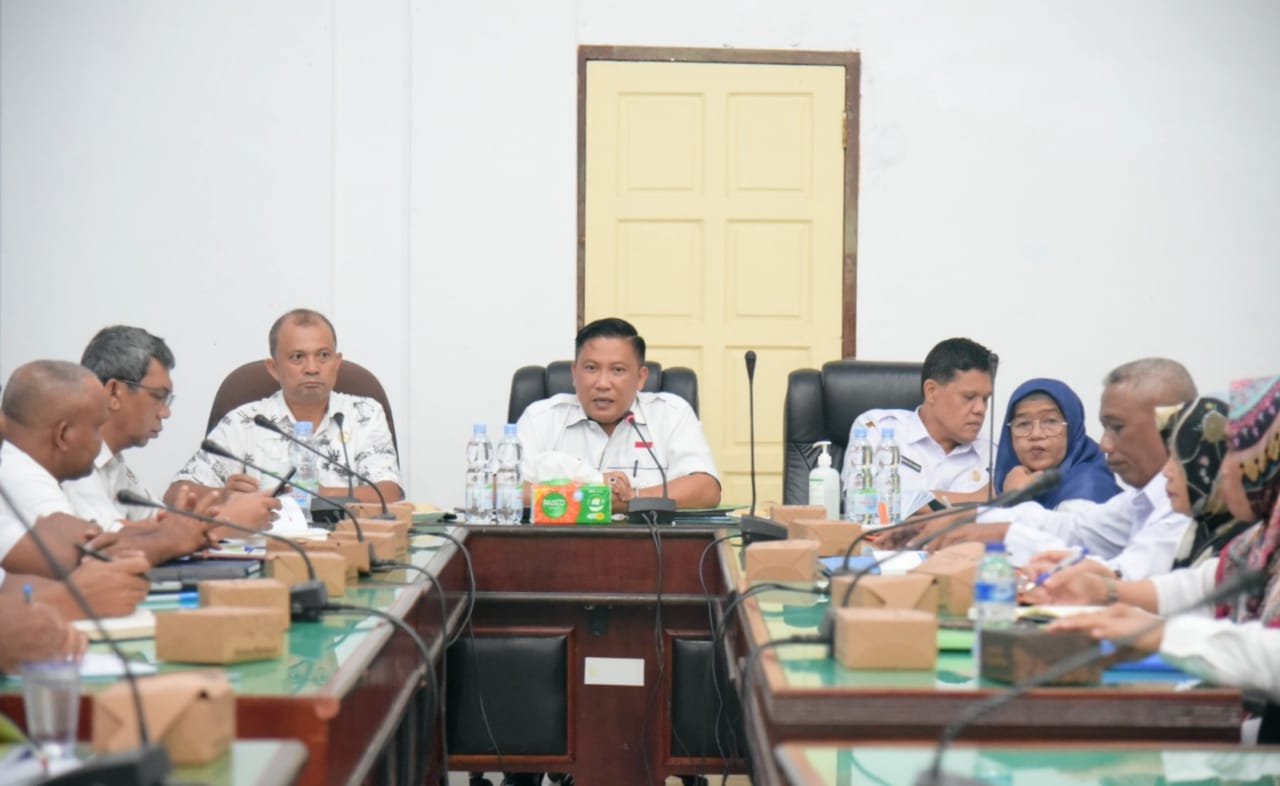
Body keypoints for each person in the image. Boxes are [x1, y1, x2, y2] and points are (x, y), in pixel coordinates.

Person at [1044, 375, 1280, 743]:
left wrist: (1158, 634)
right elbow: (1204, 581)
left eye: (1233, 452)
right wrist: (1109, 592)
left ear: (1265, 457)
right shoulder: (1264, 538)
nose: (1224, 467)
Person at [922, 359, 1197, 581]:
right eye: (1022, 424)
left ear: (1171, 429)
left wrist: (1000, 530)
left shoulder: (1184, 509)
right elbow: (1074, 530)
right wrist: (972, 517)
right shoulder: (1143, 499)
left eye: (1118, 428)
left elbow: (1117, 579)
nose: (1105, 444)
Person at [167, 309, 403, 506]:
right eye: (297, 357)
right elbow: (176, 495)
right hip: (265, 550)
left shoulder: (364, 414)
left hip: (349, 549)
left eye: (323, 355)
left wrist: (316, 495)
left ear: (336, 362)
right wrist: (227, 497)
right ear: (273, 368)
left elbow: (389, 494)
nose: (312, 368)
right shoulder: (244, 421)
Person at [0, 361, 210, 576]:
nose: (102, 442)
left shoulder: (34, 470)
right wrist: (169, 540)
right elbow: (85, 562)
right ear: (63, 436)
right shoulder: (21, 475)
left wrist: (167, 531)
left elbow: (97, 539)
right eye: (97, 428)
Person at [63, 325, 279, 532]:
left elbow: (159, 522)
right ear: (113, 392)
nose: (165, 412)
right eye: (158, 396)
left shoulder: (114, 464)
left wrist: (227, 500)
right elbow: (113, 542)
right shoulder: (74, 466)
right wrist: (229, 521)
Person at [516, 317, 721, 512]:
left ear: (640, 378)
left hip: (648, 545)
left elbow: (706, 489)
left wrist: (632, 498)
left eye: (618, 370)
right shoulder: (541, 418)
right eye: (591, 368)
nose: (603, 383)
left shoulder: (671, 414)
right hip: (560, 545)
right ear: (574, 373)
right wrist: (593, 493)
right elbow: (503, 490)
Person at [839, 337, 996, 507]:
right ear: (931, 391)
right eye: (969, 397)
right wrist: (977, 498)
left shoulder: (991, 453)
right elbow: (861, 501)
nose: (980, 409)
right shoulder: (876, 429)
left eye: (985, 399)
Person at [993, 378, 1120, 509]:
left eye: (1050, 421)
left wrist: (1016, 500)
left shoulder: (1088, 488)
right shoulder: (1012, 480)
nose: (1036, 434)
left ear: (1072, 430)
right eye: (1023, 424)